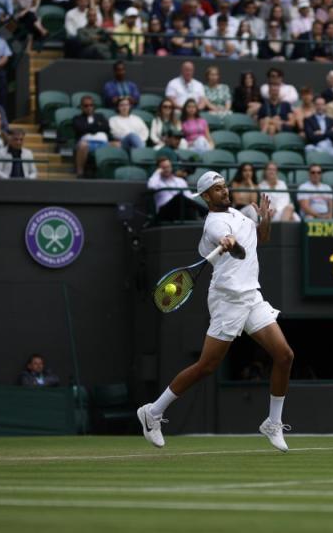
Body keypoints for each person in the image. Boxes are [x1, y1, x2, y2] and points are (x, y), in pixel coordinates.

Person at [137, 172, 294, 453]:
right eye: (216, 189)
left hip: (251, 296)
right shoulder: (214, 224)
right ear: (206, 196)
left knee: (284, 355)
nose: (223, 191)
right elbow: (233, 247)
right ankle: (153, 411)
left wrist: (265, 221)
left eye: (223, 186)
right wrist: (229, 242)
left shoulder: (241, 215)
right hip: (227, 300)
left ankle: (273, 422)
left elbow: (262, 240)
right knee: (206, 367)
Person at [148, 156, 200, 222]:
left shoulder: (180, 181)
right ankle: (204, 212)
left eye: (168, 167)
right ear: (159, 169)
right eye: (164, 167)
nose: (167, 169)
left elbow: (189, 197)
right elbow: (152, 186)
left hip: (179, 211)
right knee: (178, 197)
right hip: (164, 213)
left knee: (187, 204)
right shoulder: (157, 181)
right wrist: (157, 172)